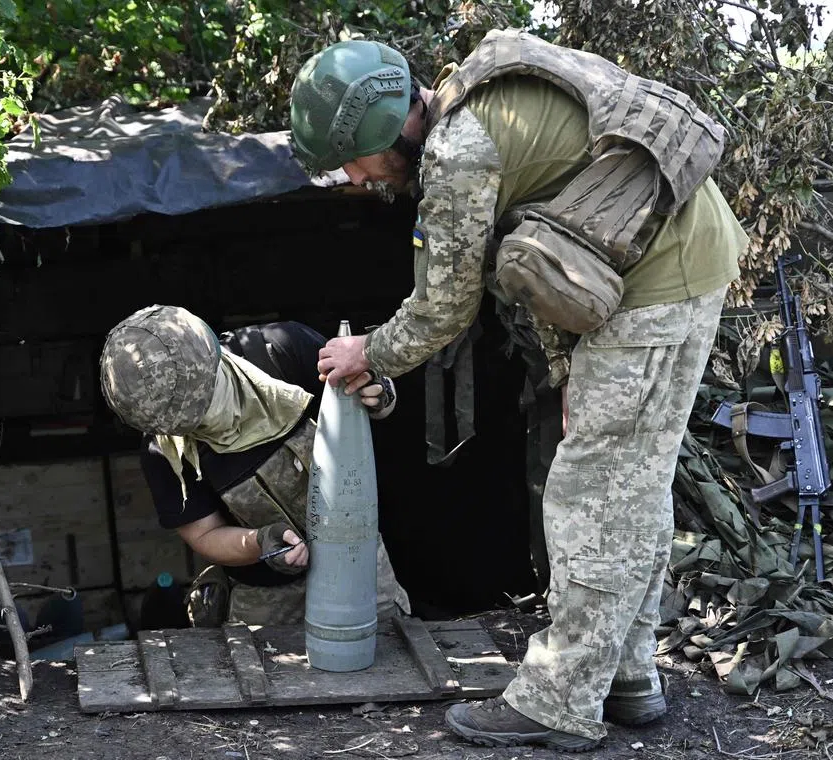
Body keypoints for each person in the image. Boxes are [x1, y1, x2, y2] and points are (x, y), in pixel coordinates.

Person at [289, 29, 747, 751]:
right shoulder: (473, 101)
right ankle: (624, 674)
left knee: (592, 493)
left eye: (351, 161)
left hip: (654, 283)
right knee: (633, 483)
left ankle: (560, 699)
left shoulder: (459, 152)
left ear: (383, 131)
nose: (354, 178)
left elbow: (444, 307)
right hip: (680, 258)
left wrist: (367, 352)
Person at [99, 305, 411, 627]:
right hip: (265, 596)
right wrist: (260, 542)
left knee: (385, 647)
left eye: (206, 406)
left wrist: (380, 391)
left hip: (358, 559)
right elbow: (205, 534)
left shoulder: (281, 348)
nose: (205, 424)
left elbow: (367, 388)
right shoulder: (163, 450)